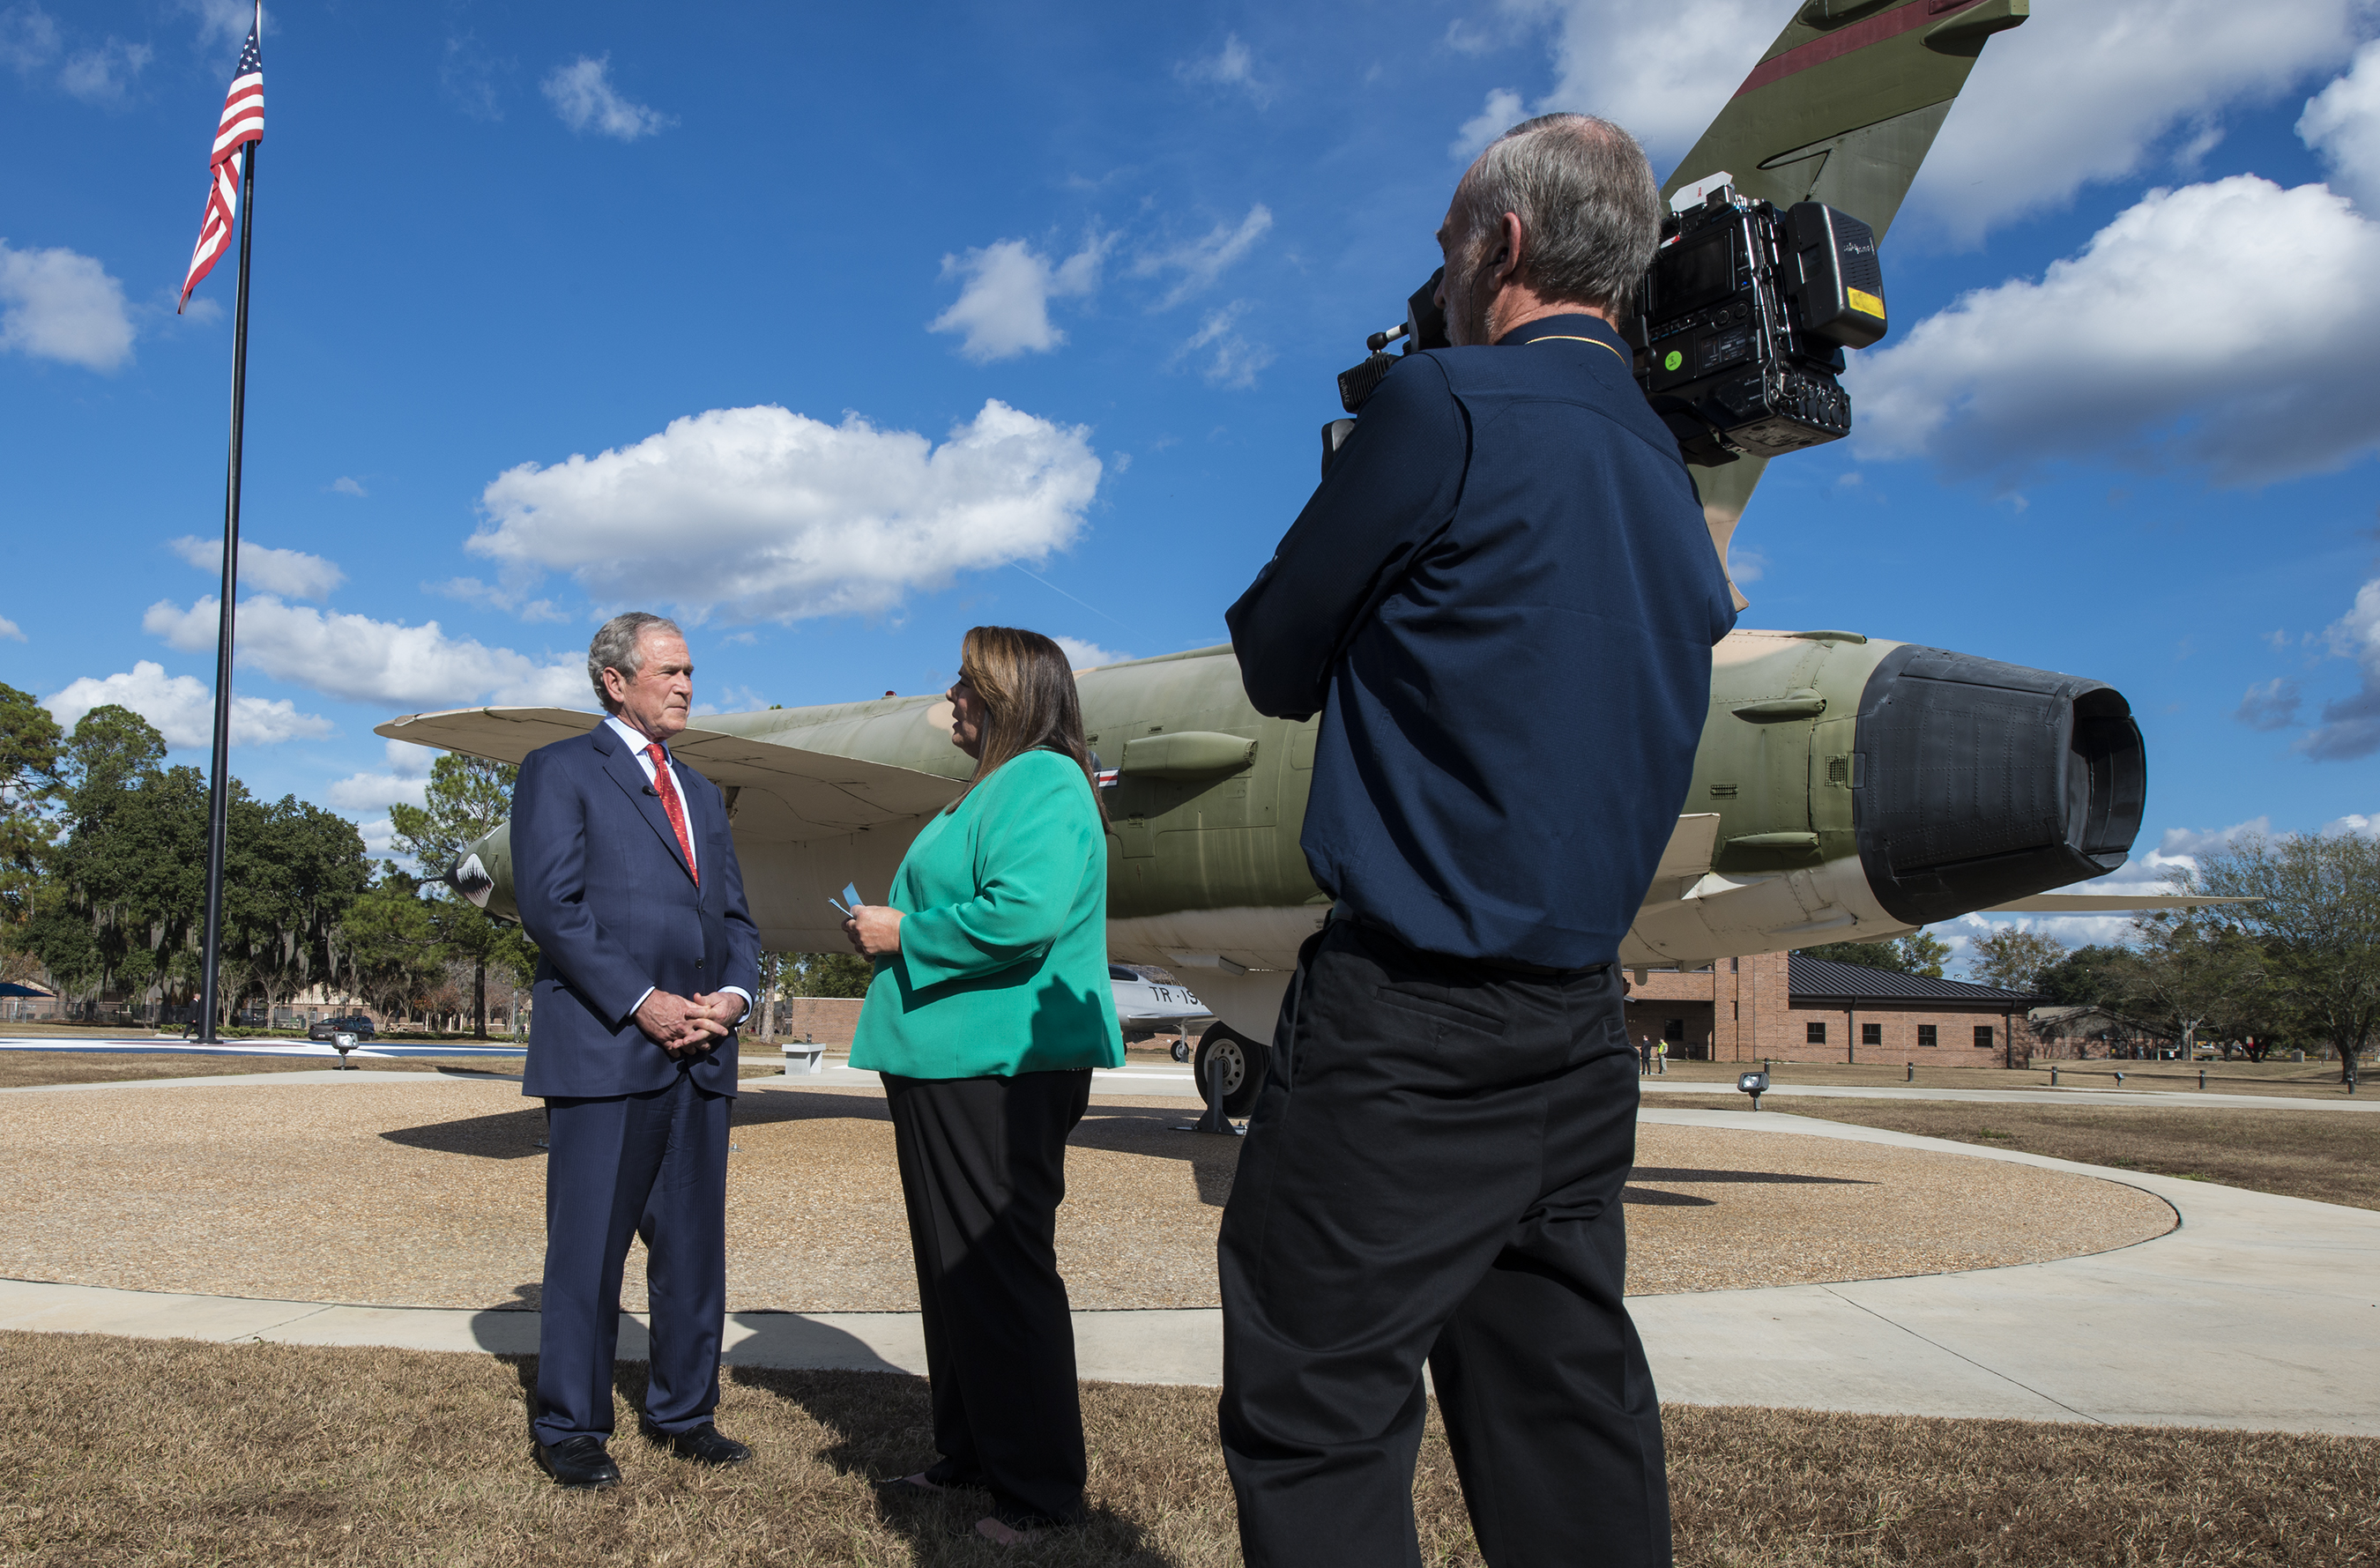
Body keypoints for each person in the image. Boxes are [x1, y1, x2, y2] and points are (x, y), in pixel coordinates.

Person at [1218, 114, 1739, 1568]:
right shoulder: (1660, 465)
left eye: (1450, 245)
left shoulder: (1442, 406)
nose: (1440, 276)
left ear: (1499, 246)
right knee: (1562, 1415)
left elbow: (1273, 652)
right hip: (1579, 1035)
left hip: (1407, 1032)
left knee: (1316, 1413)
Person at [842, 625, 1124, 1545]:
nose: (949, 700)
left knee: (998, 1274)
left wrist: (900, 934)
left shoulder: (1042, 777)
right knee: (954, 1273)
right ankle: (972, 1455)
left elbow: (1025, 913)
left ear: (1005, 697)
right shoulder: (995, 786)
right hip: (948, 1059)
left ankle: (1038, 1492)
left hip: (995, 1065)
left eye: (964, 684)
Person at [509, 611, 761, 1490]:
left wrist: (730, 997)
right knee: (588, 1250)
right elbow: (552, 907)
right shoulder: (559, 771)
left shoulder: (699, 791)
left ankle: (684, 1413)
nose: (688, 685)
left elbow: (733, 919)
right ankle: (571, 1426)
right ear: (616, 681)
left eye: (693, 671)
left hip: (703, 1053)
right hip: (607, 1050)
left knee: (693, 1249)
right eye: (671, 672)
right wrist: (642, 1001)